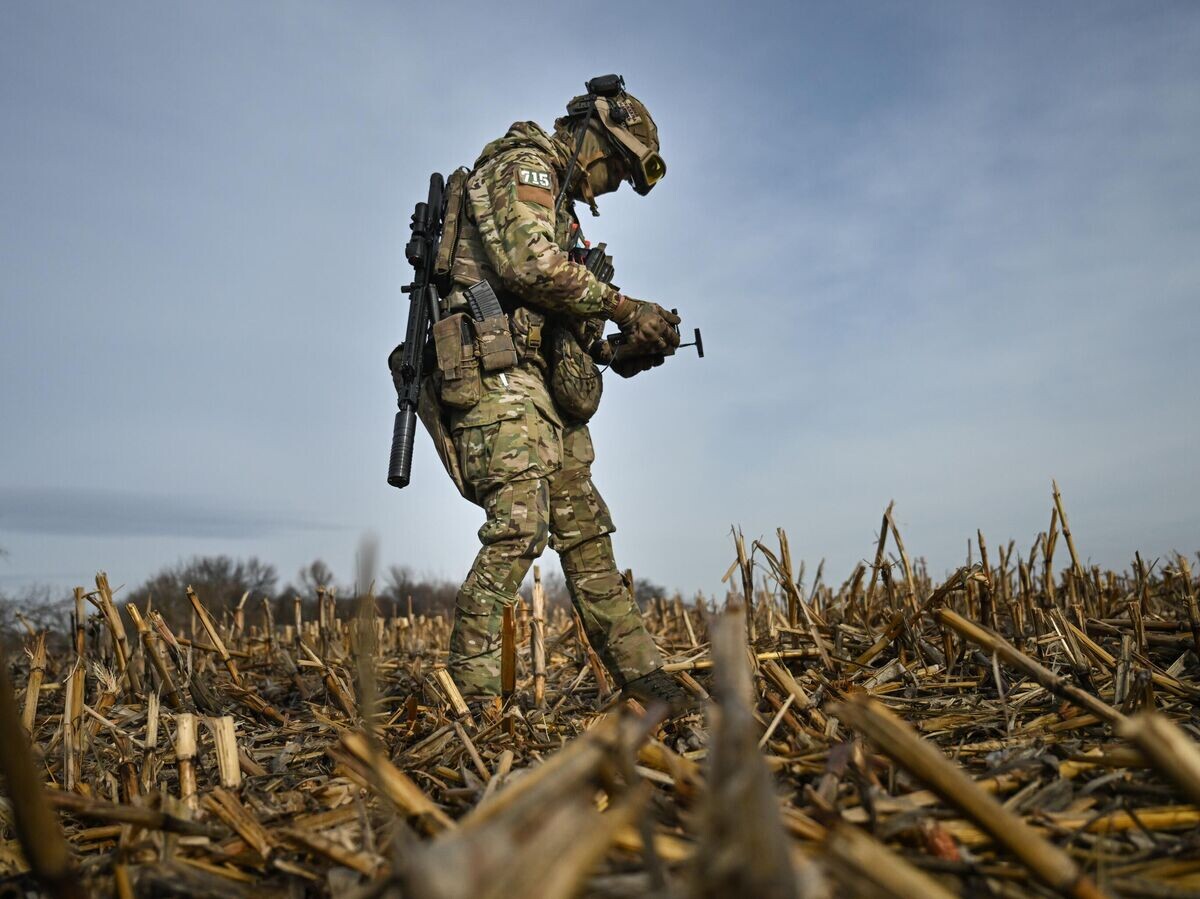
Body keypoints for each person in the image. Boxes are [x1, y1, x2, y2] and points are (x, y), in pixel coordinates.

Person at [408, 74, 692, 710]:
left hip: (539, 383)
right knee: (520, 525)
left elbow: (565, 320)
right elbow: (528, 265)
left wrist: (620, 351)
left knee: (587, 534)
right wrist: (626, 307)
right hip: (493, 371)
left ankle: (648, 681)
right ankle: (473, 698)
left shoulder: (563, 212)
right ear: (593, 136)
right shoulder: (524, 166)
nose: (612, 186)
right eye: (615, 169)